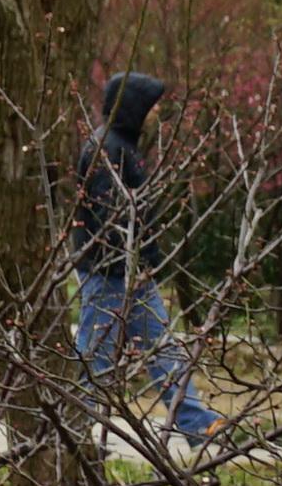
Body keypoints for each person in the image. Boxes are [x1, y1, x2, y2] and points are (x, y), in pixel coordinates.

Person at [72, 69, 220, 446]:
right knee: (96, 357)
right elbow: (112, 220)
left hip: (134, 274)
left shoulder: (125, 148)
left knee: (163, 348)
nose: (157, 114)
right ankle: (67, 430)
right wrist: (132, 264)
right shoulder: (106, 150)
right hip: (109, 273)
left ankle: (196, 423)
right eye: (152, 107)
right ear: (134, 107)